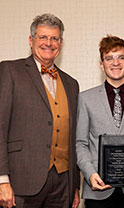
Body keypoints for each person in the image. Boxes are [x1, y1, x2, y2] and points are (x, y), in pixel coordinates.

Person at [0, 13, 80, 208]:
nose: (48, 43)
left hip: (62, 183)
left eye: (54, 38)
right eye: (42, 37)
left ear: (60, 44)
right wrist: (2, 179)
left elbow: (74, 136)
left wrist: (75, 185)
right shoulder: (10, 71)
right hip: (21, 180)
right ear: (31, 40)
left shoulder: (72, 84)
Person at [76, 35, 124, 208]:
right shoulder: (85, 99)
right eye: (109, 58)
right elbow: (81, 143)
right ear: (102, 65)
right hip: (97, 188)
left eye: (121, 57)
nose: (115, 63)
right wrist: (89, 174)